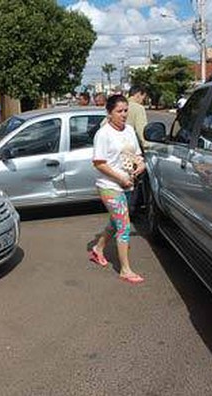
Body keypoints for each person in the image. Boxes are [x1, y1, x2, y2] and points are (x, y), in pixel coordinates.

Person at [89, 94, 145, 284]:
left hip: (129, 184)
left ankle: (97, 249)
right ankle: (125, 270)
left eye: (125, 110)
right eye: (119, 111)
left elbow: (137, 155)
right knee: (124, 226)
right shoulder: (103, 133)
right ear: (109, 113)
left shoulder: (129, 130)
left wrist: (141, 165)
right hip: (110, 186)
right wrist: (120, 177)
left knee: (116, 222)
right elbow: (99, 163)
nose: (123, 114)